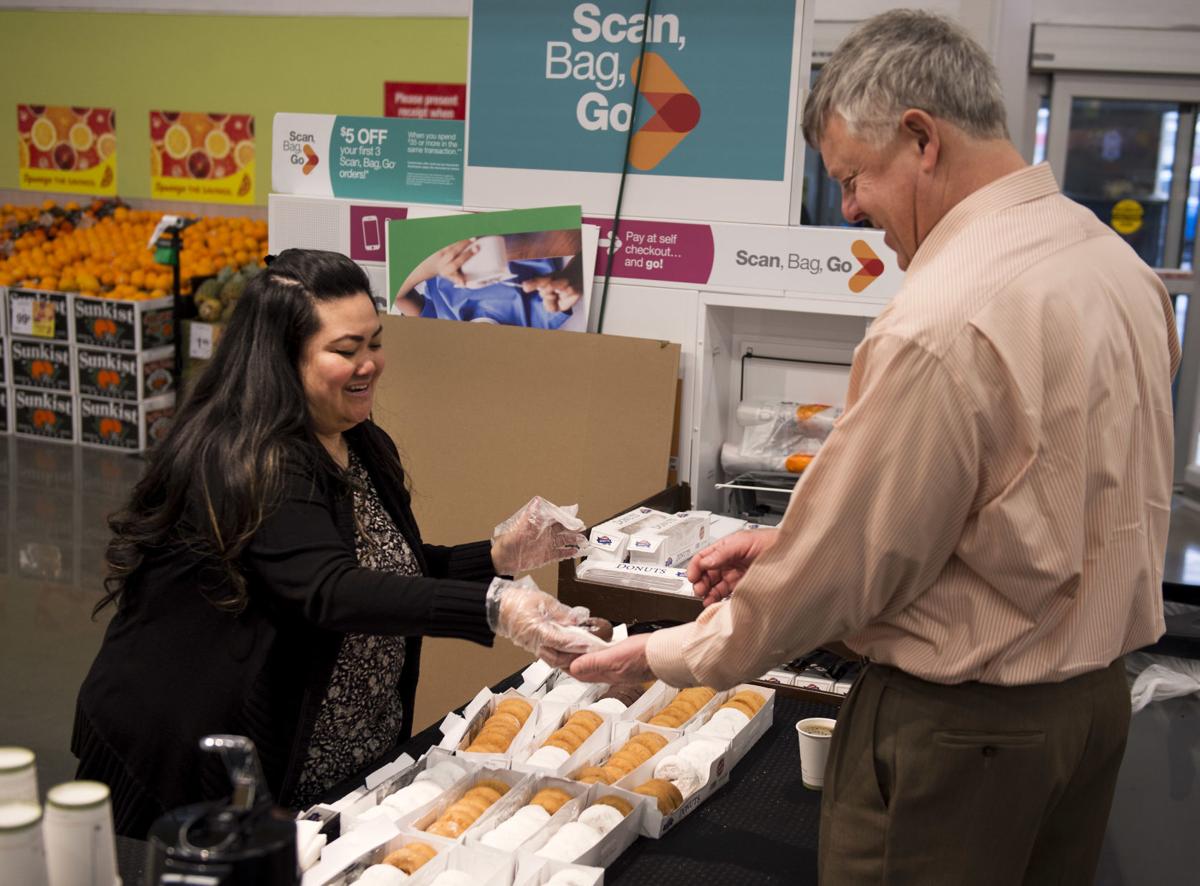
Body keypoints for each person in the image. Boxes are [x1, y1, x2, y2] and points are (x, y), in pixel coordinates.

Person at [571, 10, 1180, 885]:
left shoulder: (942, 318)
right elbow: (1034, 506)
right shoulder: (1121, 273)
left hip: (959, 740)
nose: (851, 209)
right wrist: (796, 542)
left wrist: (659, 653)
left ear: (921, 139)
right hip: (1088, 716)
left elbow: (845, 574)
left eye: (854, 177)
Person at [73, 249, 599, 836]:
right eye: (346, 351)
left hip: (331, 752)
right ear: (280, 359)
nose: (369, 364)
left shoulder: (359, 441)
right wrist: (494, 607)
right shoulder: (254, 458)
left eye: (374, 343)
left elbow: (385, 573)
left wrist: (498, 558)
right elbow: (328, 590)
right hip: (197, 751)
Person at [392, 237, 584, 328]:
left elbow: (397, 293)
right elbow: (590, 247)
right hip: (527, 225)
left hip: (449, 228)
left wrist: (432, 265)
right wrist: (574, 275)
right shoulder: (540, 322)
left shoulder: (439, 327)